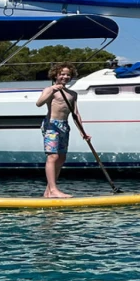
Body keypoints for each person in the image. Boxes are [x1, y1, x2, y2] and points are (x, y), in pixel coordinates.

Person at [36, 62, 91, 198]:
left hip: (64, 126)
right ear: (56, 75)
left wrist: (83, 132)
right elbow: (39, 103)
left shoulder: (72, 94)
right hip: (51, 125)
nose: (65, 76)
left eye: (68, 74)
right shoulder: (50, 89)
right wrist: (52, 91)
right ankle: (54, 190)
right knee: (52, 156)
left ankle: (49, 191)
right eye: (62, 74)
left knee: (61, 157)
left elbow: (76, 114)